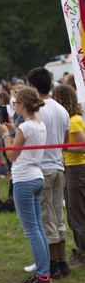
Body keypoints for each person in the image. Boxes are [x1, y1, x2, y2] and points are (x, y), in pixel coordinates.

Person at [0, 87, 51, 283]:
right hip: (36, 177)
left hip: (24, 180)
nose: (14, 106)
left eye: (16, 103)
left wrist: (4, 134)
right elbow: (21, 145)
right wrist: (12, 130)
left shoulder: (26, 127)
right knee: (38, 228)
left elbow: (11, 155)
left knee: (32, 231)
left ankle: (43, 275)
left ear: (23, 104)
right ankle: (44, 271)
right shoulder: (38, 124)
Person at [27, 67, 71, 280]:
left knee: (46, 219)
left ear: (33, 87)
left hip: (41, 168)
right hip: (58, 166)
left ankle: (53, 264)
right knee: (58, 216)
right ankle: (63, 263)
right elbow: (66, 140)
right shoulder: (62, 109)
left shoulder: (37, 111)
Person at [52, 85, 85, 269]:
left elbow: (83, 146)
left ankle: (83, 251)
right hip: (71, 167)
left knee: (76, 211)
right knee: (73, 211)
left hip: (76, 168)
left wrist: (64, 148)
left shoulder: (73, 121)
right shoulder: (74, 120)